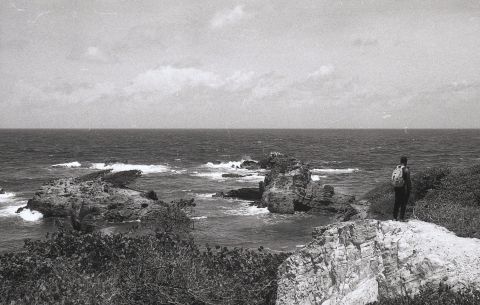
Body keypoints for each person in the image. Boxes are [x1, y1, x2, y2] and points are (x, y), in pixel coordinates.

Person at [392, 156, 412, 221]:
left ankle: (394, 217)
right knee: (403, 203)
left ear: (400, 161)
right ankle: (401, 218)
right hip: (403, 188)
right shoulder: (406, 169)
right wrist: (410, 189)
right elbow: (408, 181)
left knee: (396, 202)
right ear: (406, 162)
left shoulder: (397, 168)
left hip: (396, 187)